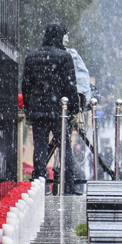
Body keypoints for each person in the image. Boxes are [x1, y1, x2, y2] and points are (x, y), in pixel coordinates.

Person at [21, 23, 79, 194]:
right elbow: (70, 86)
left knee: (40, 147)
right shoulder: (64, 57)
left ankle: (40, 182)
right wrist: (74, 109)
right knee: (64, 146)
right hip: (59, 110)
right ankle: (68, 183)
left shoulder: (32, 57)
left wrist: (28, 108)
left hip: (38, 110)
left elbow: (26, 86)